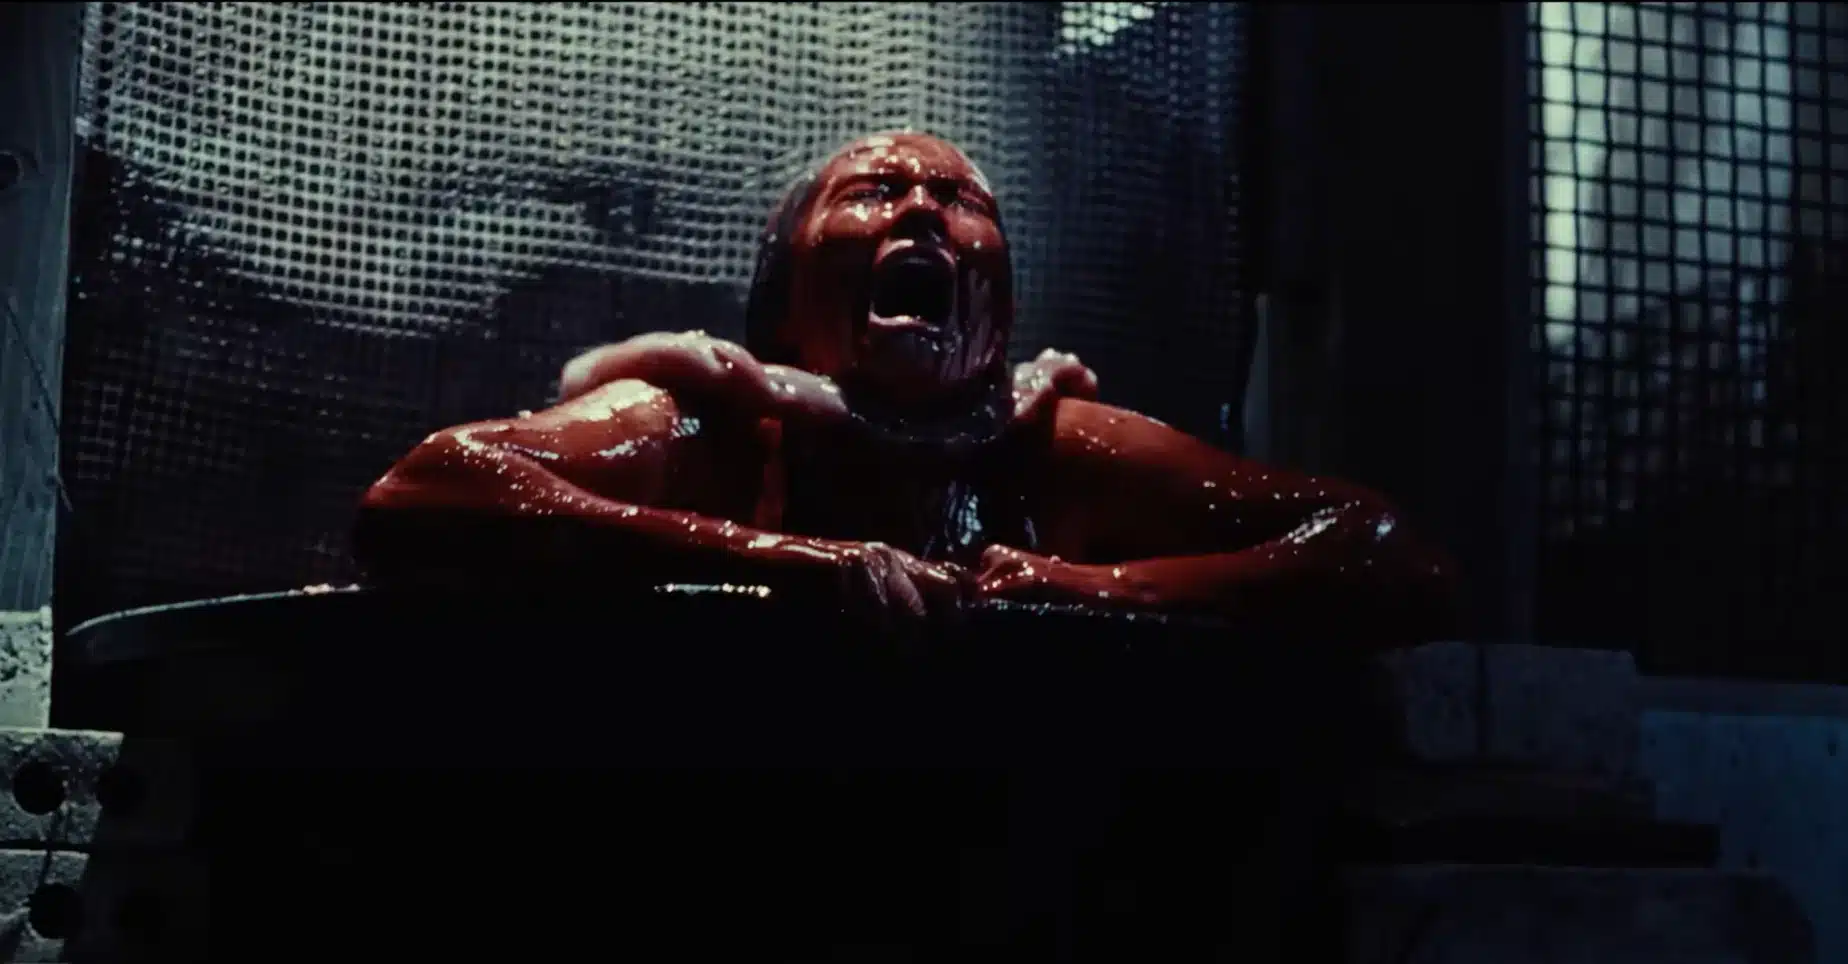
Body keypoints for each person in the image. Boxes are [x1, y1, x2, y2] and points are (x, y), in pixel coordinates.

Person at [355, 131, 1456, 645]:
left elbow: (1389, 553)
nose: (924, 209)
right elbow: (427, 491)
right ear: (787, 298)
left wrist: (1094, 590)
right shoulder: (710, 421)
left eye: (960, 200)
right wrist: (781, 562)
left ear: (999, 315)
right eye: (876, 193)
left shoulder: (1053, 448)